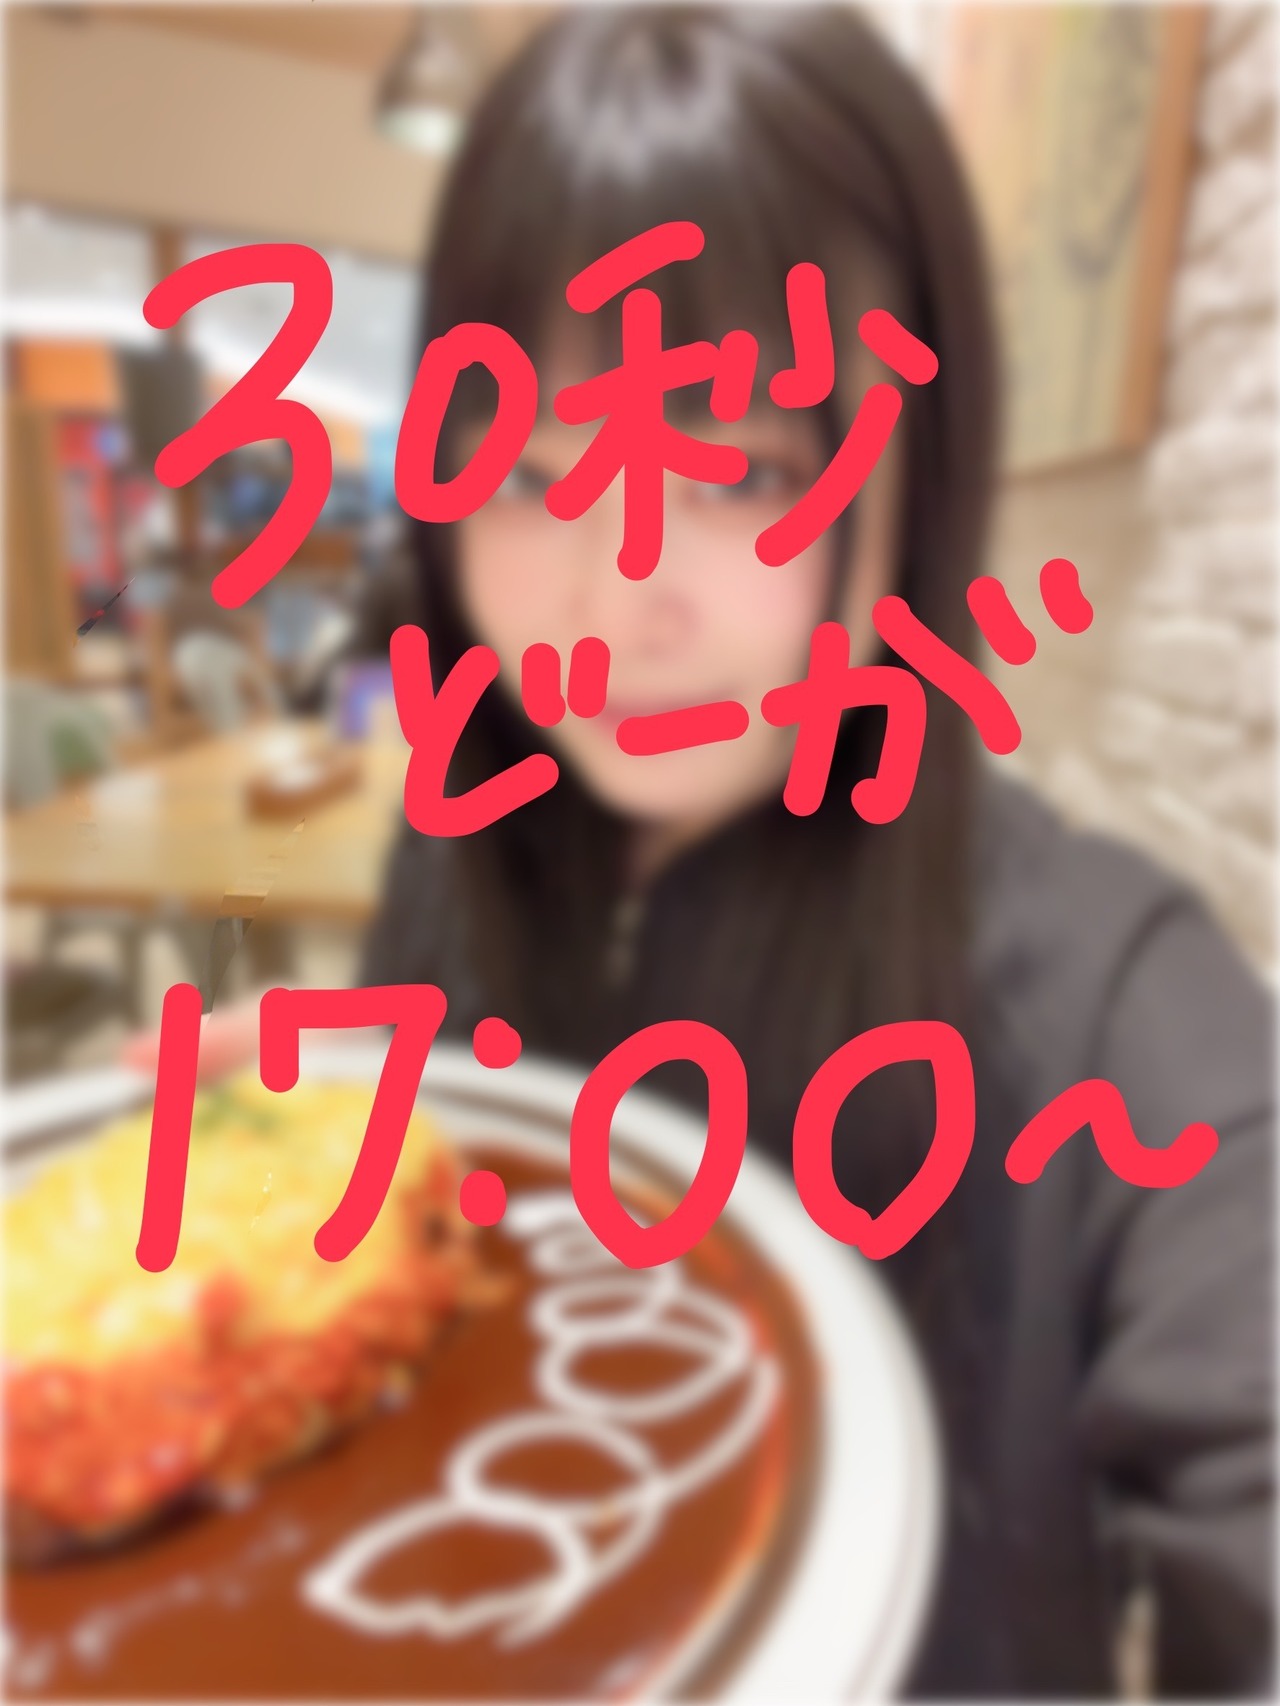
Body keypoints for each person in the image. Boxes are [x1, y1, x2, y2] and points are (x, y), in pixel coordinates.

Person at [133, 7, 1275, 1694]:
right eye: (530, 468)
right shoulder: (468, 833)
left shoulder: (1112, 1012)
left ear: (921, 478)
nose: (615, 602)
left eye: (736, 467)